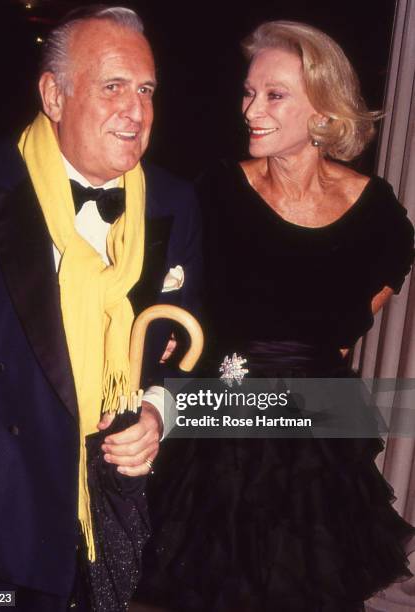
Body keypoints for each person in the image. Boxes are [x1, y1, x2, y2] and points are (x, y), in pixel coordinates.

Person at [135, 20, 415, 612]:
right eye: (248, 92)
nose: (251, 110)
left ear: (324, 110)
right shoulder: (215, 192)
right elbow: (173, 298)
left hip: (316, 439)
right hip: (218, 426)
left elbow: (353, 320)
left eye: (274, 94)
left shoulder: (377, 213)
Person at [0, 5, 201, 611]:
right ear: (54, 95)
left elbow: (190, 338)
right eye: (113, 86)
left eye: (146, 89)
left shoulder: (175, 201)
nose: (137, 110)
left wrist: (156, 413)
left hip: (113, 505)